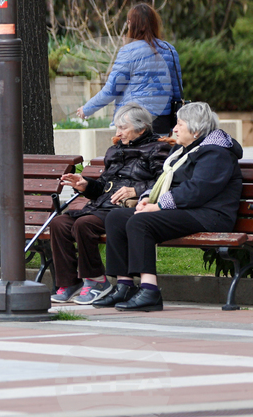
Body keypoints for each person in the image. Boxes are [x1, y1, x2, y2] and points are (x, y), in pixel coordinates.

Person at [95, 102, 242, 311]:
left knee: (141, 222)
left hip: (210, 215)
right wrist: (148, 198)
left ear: (196, 129)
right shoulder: (185, 151)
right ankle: (124, 285)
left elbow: (197, 190)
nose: (174, 128)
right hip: (188, 211)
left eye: (180, 124)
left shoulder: (216, 153)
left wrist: (159, 207)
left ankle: (149, 290)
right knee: (117, 218)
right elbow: (164, 181)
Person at [51, 103, 171, 305]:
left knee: (84, 224)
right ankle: (70, 282)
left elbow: (163, 182)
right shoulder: (115, 150)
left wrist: (136, 190)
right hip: (101, 206)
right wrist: (85, 185)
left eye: (123, 128)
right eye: (117, 127)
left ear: (141, 128)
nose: (118, 133)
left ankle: (97, 281)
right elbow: (104, 187)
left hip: (127, 208)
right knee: (59, 223)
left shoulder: (159, 148)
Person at [77, 3, 182, 135]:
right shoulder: (170, 50)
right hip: (162, 123)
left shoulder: (129, 51)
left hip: (133, 123)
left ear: (132, 25)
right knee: (159, 155)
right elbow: (177, 92)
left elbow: (111, 89)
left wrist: (86, 109)